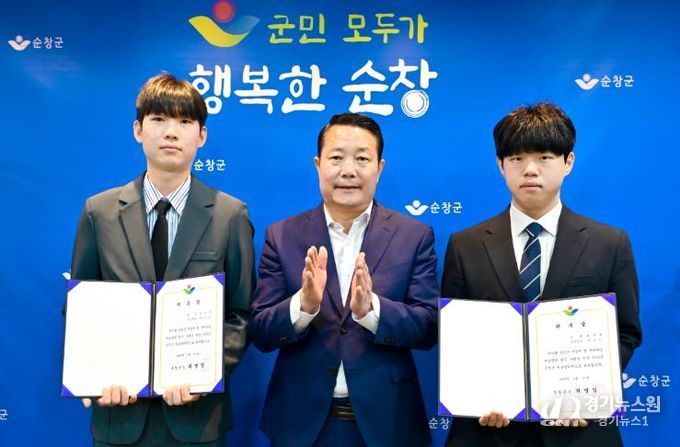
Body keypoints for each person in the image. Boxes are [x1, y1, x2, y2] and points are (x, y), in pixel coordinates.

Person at [69, 72, 255, 446]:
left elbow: (241, 313)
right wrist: (93, 375)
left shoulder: (229, 215)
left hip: (197, 420)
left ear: (202, 136)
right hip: (118, 416)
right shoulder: (99, 213)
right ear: (138, 130)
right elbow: (81, 308)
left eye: (184, 122)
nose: (171, 132)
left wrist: (205, 375)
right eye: (159, 119)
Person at [441, 103, 642, 446]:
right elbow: (455, 335)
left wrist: (588, 394)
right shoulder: (466, 245)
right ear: (501, 165)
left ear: (568, 162)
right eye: (517, 158)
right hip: (489, 432)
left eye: (545, 157)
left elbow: (626, 332)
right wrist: (477, 397)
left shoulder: (609, 243)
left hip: (580, 431)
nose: (530, 170)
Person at [250, 113, 438, 447]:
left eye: (362, 159)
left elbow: (428, 328)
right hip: (300, 424)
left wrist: (372, 311)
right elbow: (262, 332)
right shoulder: (282, 235)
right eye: (336, 158)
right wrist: (302, 306)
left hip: (388, 423)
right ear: (318, 164)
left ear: (379, 167)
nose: (348, 170)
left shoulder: (414, 236)